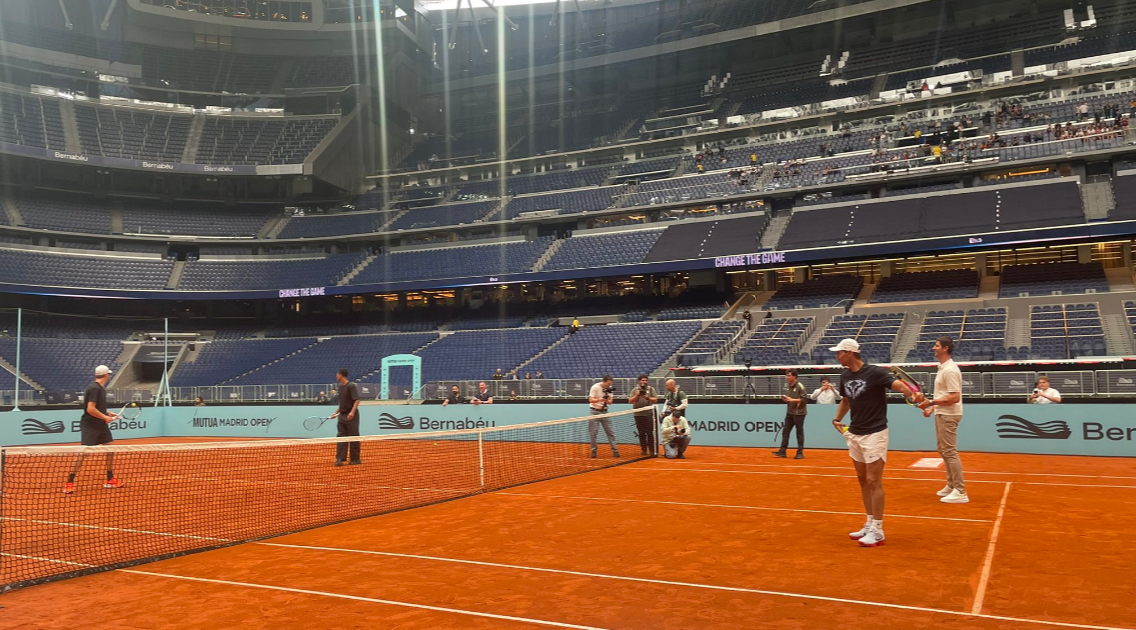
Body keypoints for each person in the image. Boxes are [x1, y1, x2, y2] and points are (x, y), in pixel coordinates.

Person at [830, 339, 922, 548]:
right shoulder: (845, 376)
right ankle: (870, 522)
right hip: (855, 433)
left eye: (840, 353)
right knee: (862, 480)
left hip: (875, 434)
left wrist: (912, 393)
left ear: (850, 353)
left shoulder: (875, 372)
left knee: (873, 480)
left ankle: (878, 530)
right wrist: (837, 419)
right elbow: (846, 400)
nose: (837, 356)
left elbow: (897, 385)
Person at [916, 337, 967, 504]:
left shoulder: (950, 370)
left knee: (950, 452)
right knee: (943, 450)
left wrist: (931, 402)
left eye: (936, 346)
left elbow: (954, 397)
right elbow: (944, 396)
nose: (933, 348)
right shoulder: (943, 368)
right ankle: (951, 485)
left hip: (949, 415)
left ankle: (960, 490)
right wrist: (932, 408)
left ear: (945, 348)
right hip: (942, 412)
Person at [64, 365, 124, 494]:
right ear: (106, 375)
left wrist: (107, 413)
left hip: (101, 425)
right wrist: (104, 417)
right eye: (109, 374)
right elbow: (90, 409)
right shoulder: (95, 388)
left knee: (110, 449)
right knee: (83, 453)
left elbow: (96, 407)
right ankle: (69, 482)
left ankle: (110, 479)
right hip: (90, 425)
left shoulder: (99, 388)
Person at [327, 368, 361, 466]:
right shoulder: (340, 388)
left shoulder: (351, 386)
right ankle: (340, 459)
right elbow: (342, 404)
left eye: (337, 374)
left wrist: (352, 412)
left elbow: (357, 400)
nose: (336, 376)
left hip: (351, 416)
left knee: (353, 436)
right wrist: (335, 413)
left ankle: (355, 459)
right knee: (341, 437)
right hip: (342, 416)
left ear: (341, 375)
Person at [774, 369, 807, 459]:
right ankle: (782, 451)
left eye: (789, 375)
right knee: (785, 431)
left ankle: (800, 453)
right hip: (790, 412)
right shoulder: (788, 385)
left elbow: (805, 399)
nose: (787, 377)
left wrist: (792, 400)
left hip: (799, 413)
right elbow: (790, 399)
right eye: (787, 375)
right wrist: (786, 400)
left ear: (794, 376)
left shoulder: (800, 386)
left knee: (799, 432)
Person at [587, 375, 620, 458]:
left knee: (610, 432)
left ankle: (615, 450)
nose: (609, 386)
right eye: (607, 384)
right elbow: (590, 400)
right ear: (604, 382)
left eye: (610, 384)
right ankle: (594, 451)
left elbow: (610, 402)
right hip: (594, 411)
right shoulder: (595, 387)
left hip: (605, 412)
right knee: (593, 433)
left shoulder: (610, 389)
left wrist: (606, 399)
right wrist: (599, 399)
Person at [629, 374, 659, 456]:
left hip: (648, 414)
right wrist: (637, 395)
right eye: (643, 380)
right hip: (638, 415)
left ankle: (652, 450)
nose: (644, 382)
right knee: (641, 433)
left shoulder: (651, 389)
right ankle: (644, 449)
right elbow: (630, 401)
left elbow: (655, 399)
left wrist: (648, 398)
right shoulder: (635, 390)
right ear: (639, 381)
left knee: (650, 432)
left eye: (646, 380)